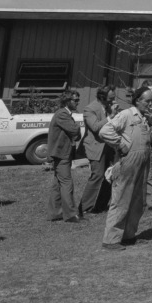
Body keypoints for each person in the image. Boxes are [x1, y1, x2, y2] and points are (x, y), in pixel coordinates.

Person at [98, 85, 152, 251]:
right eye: (147, 101)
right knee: (122, 199)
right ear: (137, 100)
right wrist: (121, 145)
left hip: (142, 163)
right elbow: (105, 131)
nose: (150, 105)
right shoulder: (126, 115)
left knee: (137, 200)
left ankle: (129, 235)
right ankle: (111, 240)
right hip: (128, 162)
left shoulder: (144, 117)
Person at [46, 89, 83, 223]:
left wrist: (75, 129)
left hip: (62, 153)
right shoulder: (62, 114)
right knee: (67, 183)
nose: (78, 102)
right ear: (67, 101)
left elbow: (76, 134)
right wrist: (76, 128)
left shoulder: (66, 115)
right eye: (75, 100)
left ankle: (55, 213)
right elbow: (75, 130)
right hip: (61, 154)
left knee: (58, 184)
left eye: (78, 100)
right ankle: (71, 215)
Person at [78, 86, 115, 216]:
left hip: (109, 146)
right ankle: (85, 207)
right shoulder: (90, 109)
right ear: (102, 97)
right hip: (95, 146)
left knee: (110, 176)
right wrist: (110, 117)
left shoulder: (109, 107)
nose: (112, 101)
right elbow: (95, 127)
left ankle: (100, 205)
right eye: (110, 98)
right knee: (98, 175)